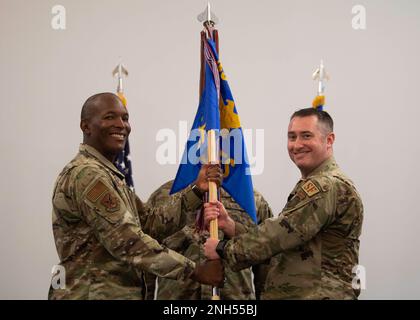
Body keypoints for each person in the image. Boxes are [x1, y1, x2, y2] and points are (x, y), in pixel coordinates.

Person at [48, 92, 223, 300]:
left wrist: (195, 191)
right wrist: (193, 270)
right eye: (109, 117)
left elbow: (148, 224)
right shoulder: (87, 174)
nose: (121, 125)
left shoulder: (108, 175)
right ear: (86, 127)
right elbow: (127, 240)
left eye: (125, 118)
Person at [204, 108, 364, 299]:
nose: (297, 144)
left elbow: (278, 235)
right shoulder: (319, 184)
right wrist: (231, 227)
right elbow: (283, 247)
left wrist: (223, 249)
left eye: (306, 136)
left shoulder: (326, 186)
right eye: (292, 137)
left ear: (328, 140)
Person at [143, 181, 273, 300]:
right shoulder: (164, 196)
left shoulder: (251, 199)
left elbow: (267, 261)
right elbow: (146, 255)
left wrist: (231, 227)